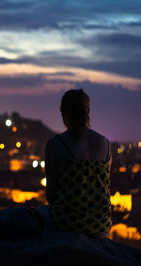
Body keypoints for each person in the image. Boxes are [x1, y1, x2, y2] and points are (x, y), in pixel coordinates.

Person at [41, 89, 112, 238]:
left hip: (66, 224)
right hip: (101, 226)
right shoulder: (105, 144)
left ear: (64, 113)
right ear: (87, 112)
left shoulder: (55, 145)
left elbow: (51, 195)